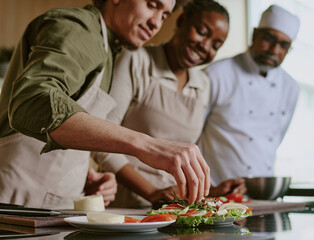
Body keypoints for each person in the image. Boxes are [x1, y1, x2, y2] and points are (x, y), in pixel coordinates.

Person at [0, 0, 210, 209]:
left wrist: (83, 177)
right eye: (152, 5)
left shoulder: (108, 49)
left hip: (51, 203)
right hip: (15, 199)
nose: (157, 23)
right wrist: (145, 145)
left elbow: (68, 130)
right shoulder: (77, 27)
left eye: (164, 15)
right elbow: (32, 101)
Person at [93, 0, 245, 208]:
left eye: (216, 45)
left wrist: (213, 190)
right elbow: (103, 143)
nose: (205, 46)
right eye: (201, 31)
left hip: (176, 206)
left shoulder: (202, 84)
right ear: (182, 21)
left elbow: (187, 154)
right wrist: (152, 192)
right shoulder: (137, 60)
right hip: (128, 205)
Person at [197, 5, 300, 186]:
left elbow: (278, 137)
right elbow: (193, 135)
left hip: (263, 193)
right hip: (216, 191)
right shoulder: (216, 74)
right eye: (269, 39)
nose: (275, 50)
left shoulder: (290, 87)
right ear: (255, 34)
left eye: (284, 45)